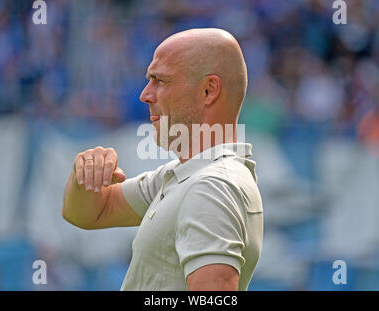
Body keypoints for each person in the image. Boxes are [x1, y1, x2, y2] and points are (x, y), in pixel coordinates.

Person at [62, 28, 264, 291]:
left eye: (161, 81)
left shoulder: (211, 187)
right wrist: (85, 173)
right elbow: (87, 214)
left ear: (208, 91)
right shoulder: (188, 178)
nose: (145, 94)